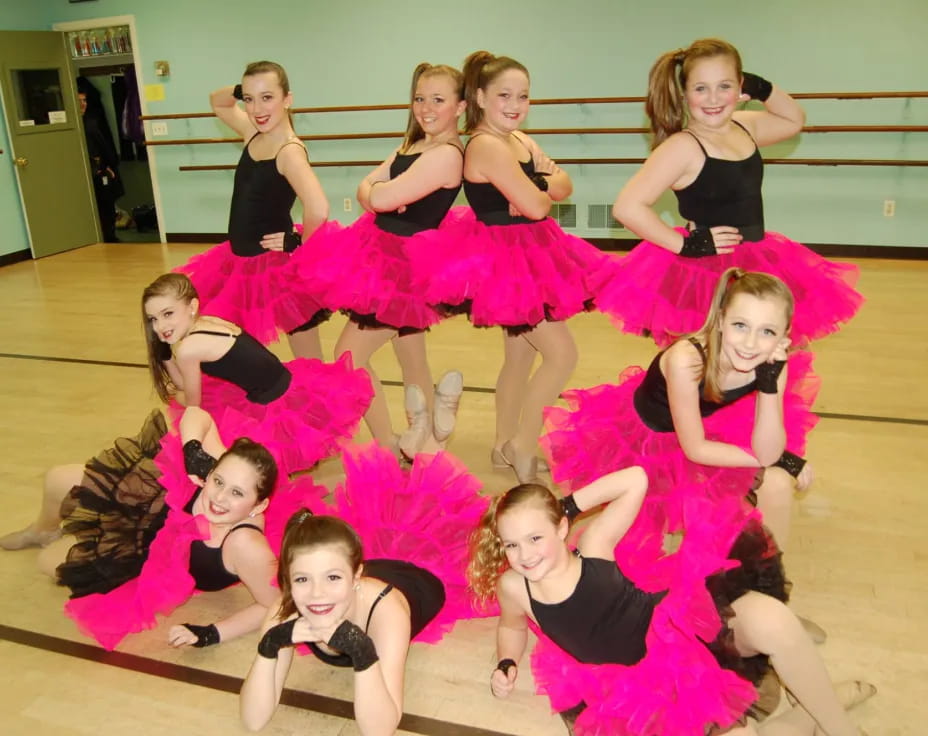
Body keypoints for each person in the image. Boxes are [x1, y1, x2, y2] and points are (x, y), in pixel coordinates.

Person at [467, 474, 874, 735]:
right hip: (637, 688)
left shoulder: (593, 547)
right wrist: (507, 661)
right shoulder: (514, 586)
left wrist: (568, 505)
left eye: (535, 538)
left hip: (680, 635)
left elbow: (635, 480)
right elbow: (512, 628)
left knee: (773, 619)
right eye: (512, 544)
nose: (524, 554)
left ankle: (837, 725)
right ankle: (814, 710)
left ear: (560, 528)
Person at [408, 51, 608, 483]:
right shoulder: (484, 143)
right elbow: (540, 203)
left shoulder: (519, 141)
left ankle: (503, 444)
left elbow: (562, 184)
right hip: (505, 263)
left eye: (524, 96)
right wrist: (537, 189)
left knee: (519, 358)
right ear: (479, 97)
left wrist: (535, 187)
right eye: (504, 95)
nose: (516, 104)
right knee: (562, 354)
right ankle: (523, 442)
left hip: (532, 256)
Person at [599, 38, 862, 348]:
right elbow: (628, 207)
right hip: (708, 270)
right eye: (701, 89)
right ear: (685, 93)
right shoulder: (683, 146)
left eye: (724, 86)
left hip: (757, 258)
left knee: (765, 352)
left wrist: (763, 89)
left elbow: (793, 119)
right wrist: (685, 244)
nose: (713, 98)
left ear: (740, 87)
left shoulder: (742, 126)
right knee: (709, 362)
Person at [542, 269, 817, 554]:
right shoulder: (686, 360)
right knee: (632, 549)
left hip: (706, 425)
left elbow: (766, 448)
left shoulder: (773, 365)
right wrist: (771, 457)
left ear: (784, 337)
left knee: (769, 487)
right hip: (647, 440)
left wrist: (769, 384)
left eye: (767, 331)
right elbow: (696, 449)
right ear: (721, 320)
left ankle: (765, 576)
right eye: (740, 326)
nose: (750, 343)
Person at [240, 442, 489, 734]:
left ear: (355, 575)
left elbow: (380, 730)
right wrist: (269, 645)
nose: (317, 593)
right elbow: (253, 721)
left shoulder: (386, 613)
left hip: (417, 581)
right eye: (302, 579)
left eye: (332, 578)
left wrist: (362, 650)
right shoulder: (285, 610)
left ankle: (424, 453)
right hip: (368, 575)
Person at [1, 409, 282, 652]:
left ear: (259, 505)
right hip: (149, 504)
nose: (219, 498)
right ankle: (41, 530)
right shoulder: (223, 469)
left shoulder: (246, 544)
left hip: (144, 556)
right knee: (56, 479)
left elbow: (275, 604)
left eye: (236, 493)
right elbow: (198, 414)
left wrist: (213, 633)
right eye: (218, 481)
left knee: (48, 562)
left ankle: (86, 532)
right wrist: (191, 448)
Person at [300, 63, 467, 458]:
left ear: (460, 107)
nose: (425, 108)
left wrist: (382, 191)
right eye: (420, 98)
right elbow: (367, 189)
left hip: (404, 269)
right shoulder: (412, 145)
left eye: (438, 100)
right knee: (412, 358)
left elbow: (377, 198)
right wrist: (380, 190)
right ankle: (424, 445)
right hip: (380, 254)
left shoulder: (447, 154)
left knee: (348, 357)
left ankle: (388, 443)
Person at [176, 60, 338, 354]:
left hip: (272, 267)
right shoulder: (253, 133)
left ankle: (317, 398)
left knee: (308, 359)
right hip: (237, 262)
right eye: (249, 99)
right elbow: (219, 102)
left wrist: (299, 244)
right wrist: (244, 89)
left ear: (287, 100)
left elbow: (318, 209)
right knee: (228, 350)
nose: (257, 109)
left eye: (267, 98)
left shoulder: (289, 151)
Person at [142, 272, 372, 476]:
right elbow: (184, 384)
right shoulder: (206, 321)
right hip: (286, 380)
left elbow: (193, 406)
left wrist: (176, 388)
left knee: (248, 462)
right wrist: (165, 355)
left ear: (192, 306)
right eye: (153, 319)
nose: (160, 326)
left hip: (275, 403)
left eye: (168, 313)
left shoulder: (190, 348)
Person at [79, 90, 123, 243]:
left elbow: (102, 149)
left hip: (99, 170)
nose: (82, 104)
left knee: (106, 204)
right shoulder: (79, 127)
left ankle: (109, 236)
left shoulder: (91, 123)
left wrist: (106, 166)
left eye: (84, 100)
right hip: (86, 171)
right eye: (79, 101)